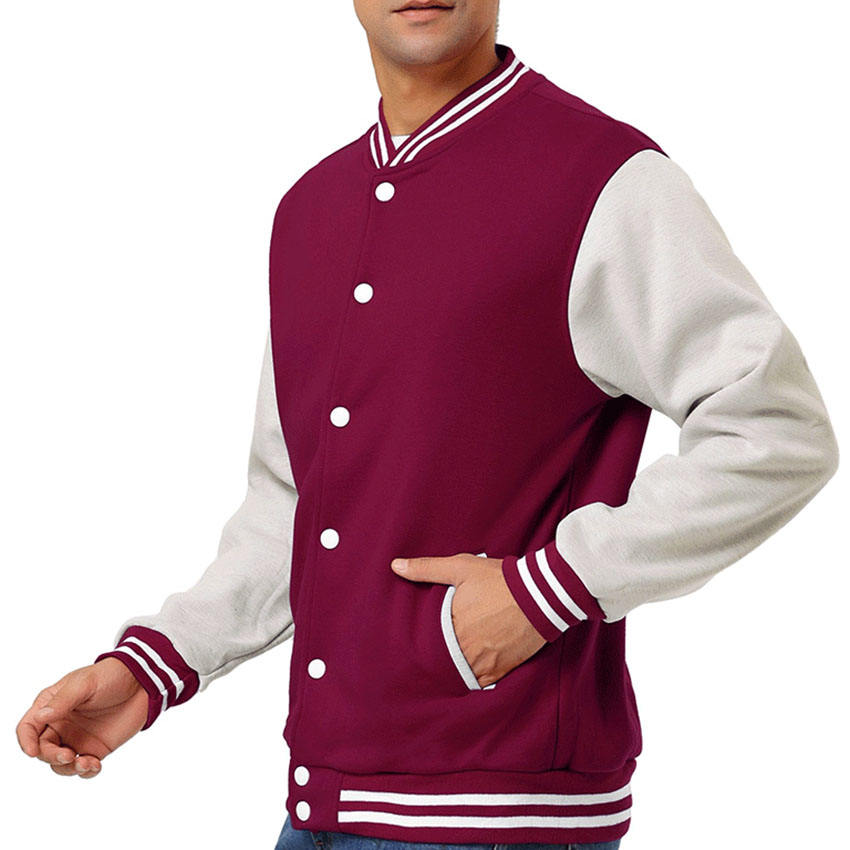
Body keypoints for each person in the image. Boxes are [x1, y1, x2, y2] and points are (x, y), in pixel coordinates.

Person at [17, 2, 840, 849]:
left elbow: (774, 428)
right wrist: (154, 667)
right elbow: (298, 505)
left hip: (499, 815)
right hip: (319, 806)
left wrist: (545, 591)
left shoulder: (605, 179)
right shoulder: (309, 209)